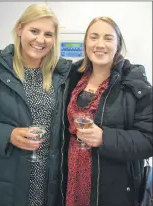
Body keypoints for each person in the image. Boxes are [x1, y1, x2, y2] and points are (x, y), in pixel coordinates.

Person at [0, 3, 72, 206]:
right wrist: (9, 135)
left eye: (48, 34)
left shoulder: (61, 76)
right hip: (7, 184)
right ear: (20, 29)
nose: (40, 40)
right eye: (34, 31)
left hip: (50, 184)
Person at [64, 16, 153, 206]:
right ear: (86, 43)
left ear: (118, 45)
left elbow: (149, 140)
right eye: (94, 37)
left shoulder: (135, 84)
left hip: (113, 188)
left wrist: (105, 138)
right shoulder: (72, 78)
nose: (100, 44)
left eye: (108, 38)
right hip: (71, 180)